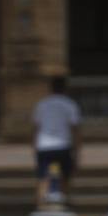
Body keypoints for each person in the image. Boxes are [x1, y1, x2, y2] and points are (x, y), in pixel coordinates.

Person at [32, 76, 81, 206]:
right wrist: (77, 151)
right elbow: (75, 129)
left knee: (43, 178)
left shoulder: (42, 104)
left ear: (50, 88)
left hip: (44, 145)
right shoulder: (69, 104)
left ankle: (40, 205)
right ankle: (65, 203)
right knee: (65, 177)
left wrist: (34, 147)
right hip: (63, 145)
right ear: (65, 88)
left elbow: (36, 128)